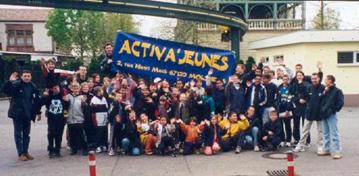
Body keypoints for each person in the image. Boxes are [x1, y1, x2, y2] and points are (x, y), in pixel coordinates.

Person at [3, 71, 41, 161]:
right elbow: (5, 90)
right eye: (25, 76)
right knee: (18, 134)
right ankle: (20, 153)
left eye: (28, 76)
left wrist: (38, 112)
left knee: (26, 134)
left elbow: (36, 100)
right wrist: (9, 81)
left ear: (31, 77)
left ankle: (25, 151)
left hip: (28, 113)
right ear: (21, 77)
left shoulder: (33, 86)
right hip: (17, 113)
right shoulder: (16, 84)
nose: (26, 77)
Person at [293, 73, 325, 153]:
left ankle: (320, 147)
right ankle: (300, 146)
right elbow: (303, 97)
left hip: (319, 113)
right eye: (313, 79)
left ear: (319, 79)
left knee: (320, 131)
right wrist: (301, 99)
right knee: (305, 130)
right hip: (309, 112)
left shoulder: (323, 88)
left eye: (315, 78)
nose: (314, 80)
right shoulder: (308, 87)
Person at [319, 75, 344, 159]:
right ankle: (326, 150)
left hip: (331, 114)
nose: (325, 81)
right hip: (323, 114)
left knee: (334, 133)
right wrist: (324, 93)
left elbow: (340, 103)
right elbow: (320, 101)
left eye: (326, 79)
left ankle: (338, 151)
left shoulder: (337, 91)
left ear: (330, 81)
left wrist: (333, 110)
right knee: (325, 133)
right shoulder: (325, 90)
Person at [41, 84, 67, 158]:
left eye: (56, 88)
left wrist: (67, 101)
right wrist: (44, 96)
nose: (55, 89)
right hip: (51, 118)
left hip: (61, 118)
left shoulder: (62, 96)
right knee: (51, 134)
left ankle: (57, 150)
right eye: (53, 88)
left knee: (59, 135)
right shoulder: (49, 97)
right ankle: (51, 150)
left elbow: (66, 107)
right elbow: (41, 103)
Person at [64, 82, 88, 156]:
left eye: (77, 88)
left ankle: (84, 149)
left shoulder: (82, 97)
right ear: (71, 89)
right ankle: (73, 149)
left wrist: (84, 103)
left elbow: (85, 108)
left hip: (79, 119)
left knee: (81, 135)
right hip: (70, 119)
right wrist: (65, 102)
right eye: (74, 88)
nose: (76, 89)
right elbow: (65, 108)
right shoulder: (68, 96)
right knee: (72, 135)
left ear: (79, 88)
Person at [290, 71, 308, 145]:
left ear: (303, 76)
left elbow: (309, 95)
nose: (299, 76)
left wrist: (305, 100)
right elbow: (291, 95)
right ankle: (296, 139)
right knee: (296, 124)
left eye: (300, 75)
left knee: (306, 124)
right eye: (298, 75)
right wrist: (298, 99)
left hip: (305, 107)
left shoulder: (307, 85)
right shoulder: (293, 85)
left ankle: (306, 140)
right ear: (296, 77)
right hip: (296, 107)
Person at [91, 87, 109, 153]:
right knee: (98, 133)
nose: (102, 92)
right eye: (101, 90)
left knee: (104, 132)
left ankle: (104, 145)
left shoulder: (104, 98)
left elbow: (106, 107)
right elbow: (93, 110)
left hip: (104, 117)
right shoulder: (94, 99)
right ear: (97, 92)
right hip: (98, 118)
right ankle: (98, 146)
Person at [277, 74, 293, 147]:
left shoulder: (290, 87)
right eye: (284, 79)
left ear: (288, 80)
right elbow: (277, 98)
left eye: (286, 79)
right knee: (280, 125)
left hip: (287, 109)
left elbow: (290, 99)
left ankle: (288, 140)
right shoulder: (279, 87)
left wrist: (288, 109)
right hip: (280, 109)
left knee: (287, 125)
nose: (285, 81)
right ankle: (282, 140)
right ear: (282, 80)